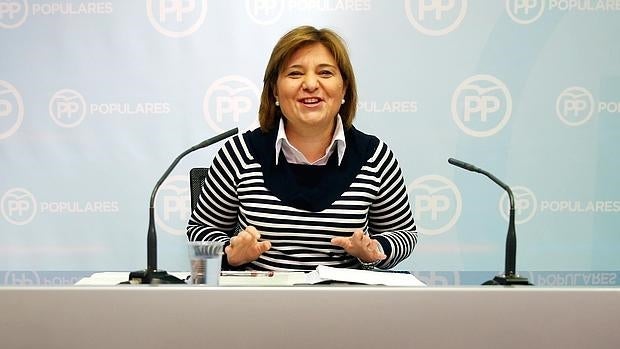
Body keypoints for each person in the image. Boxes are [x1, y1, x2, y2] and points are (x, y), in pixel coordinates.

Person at [187, 25, 417, 271]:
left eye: (325, 73)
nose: (310, 84)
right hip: (259, 304)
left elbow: (403, 232)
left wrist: (376, 249)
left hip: (346, 305)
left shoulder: (375, 156)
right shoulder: (240, 152)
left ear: (345, 89)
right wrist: (229, 253)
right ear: (275, 89)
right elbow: (200, 231)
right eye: (295, 74)